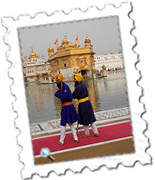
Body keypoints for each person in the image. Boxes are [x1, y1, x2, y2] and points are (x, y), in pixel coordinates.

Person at [54, 73, 79, 145]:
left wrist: (57, 93)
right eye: (56, 80)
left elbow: (65, 97)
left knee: (63, 123)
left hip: (67, 107)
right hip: (68, 106)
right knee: (70, 123)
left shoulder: (64, 86)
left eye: (58, 80)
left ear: (61, 80)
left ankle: (61, 140)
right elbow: (68, 96)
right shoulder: (62, 87)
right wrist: (59, 92)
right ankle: (75, 138)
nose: (57, 81)